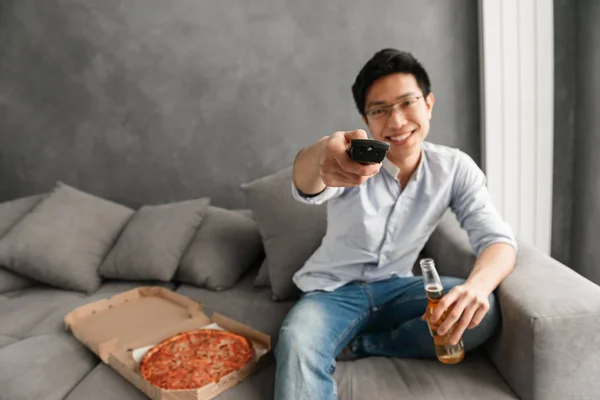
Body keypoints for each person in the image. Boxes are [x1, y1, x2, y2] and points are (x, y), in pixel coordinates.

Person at [272, 48, 518, 400]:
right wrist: (320, 156)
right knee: (295, 341)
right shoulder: (350, 162)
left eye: (407, 102)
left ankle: (365, 346)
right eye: (380, 110)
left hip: (398, 289)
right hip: (332, 293)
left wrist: (476, 288)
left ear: (429, 103)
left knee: (485, 312)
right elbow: (308, 180)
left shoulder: (454, 168)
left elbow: (498, 241)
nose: (397, 120)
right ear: (366, 119)